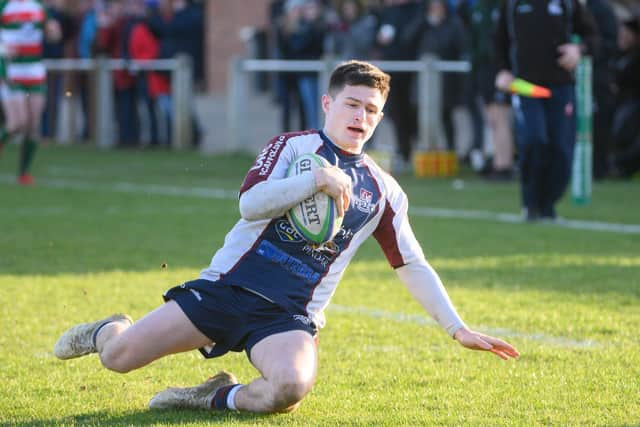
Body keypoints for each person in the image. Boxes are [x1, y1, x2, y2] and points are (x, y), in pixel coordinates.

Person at [53, 60, 519, 414]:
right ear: (328, 103)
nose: (361, 116)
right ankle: (107, 329)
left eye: (372, 110)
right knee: (117, 357)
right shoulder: (293, 147)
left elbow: (411, 263)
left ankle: (215, 396)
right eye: (352, 104)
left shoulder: (383, 192)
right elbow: (249, 204)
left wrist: (457, 328)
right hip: (224, 290)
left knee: (289, 390)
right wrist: (317, 180)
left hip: (289, 317)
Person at [494, 0, 598, 221]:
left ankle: (548, 204)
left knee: (561, 148)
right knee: (534, 139)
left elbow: (594, 36)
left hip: (561, 87)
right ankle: (530, 204)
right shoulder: (511, 4)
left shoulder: (569, 4)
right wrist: (502, 70)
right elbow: (497, 41)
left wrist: (579, 49)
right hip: (526, 87)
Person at [0, 0, 62, 185]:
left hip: (34, 70)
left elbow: (53, 35)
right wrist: (2, 49)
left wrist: (54, 32)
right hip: (11, 71)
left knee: (33, 125)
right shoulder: (4, 5)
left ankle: (24, 172)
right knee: (17, 123)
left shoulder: (39, 7)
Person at [469, 0, 515, 181]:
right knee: (492, 118)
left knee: (500, 116)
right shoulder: (479, 7)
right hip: (483, 69)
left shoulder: (502, 6)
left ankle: (505, 165)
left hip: (498, 68)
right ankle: (498, 160)